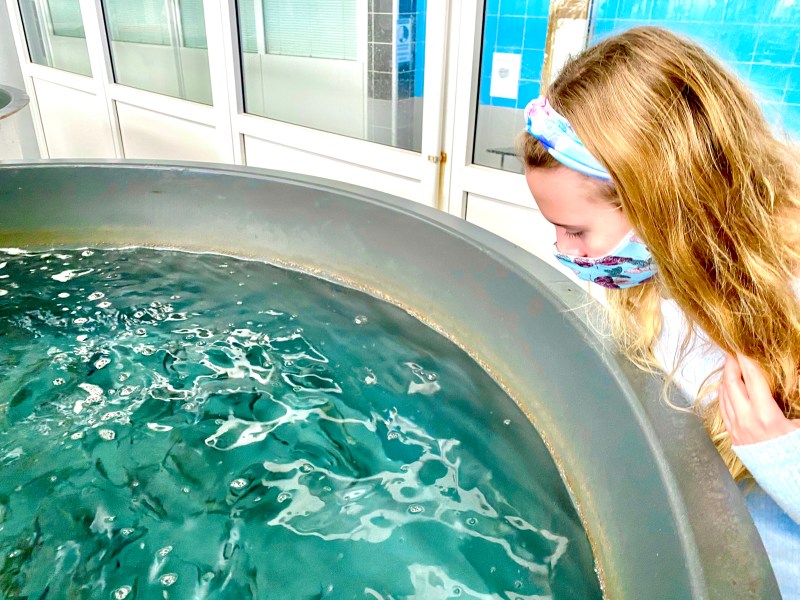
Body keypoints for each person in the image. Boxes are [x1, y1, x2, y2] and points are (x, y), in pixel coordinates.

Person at [516, 26, 800, 596]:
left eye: (576, 231)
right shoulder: (650, 274)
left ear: (665, 204)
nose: (564, 251)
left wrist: (782, 456)